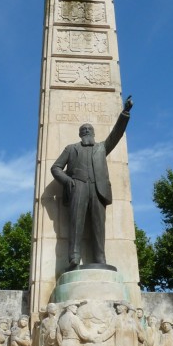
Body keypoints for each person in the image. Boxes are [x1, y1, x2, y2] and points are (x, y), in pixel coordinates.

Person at [51, 95, 133, 269]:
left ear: (94, 134)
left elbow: (116, 134)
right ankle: (74, 257)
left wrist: (125, 112)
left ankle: (100, 257)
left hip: (98, 189)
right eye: (84, 130)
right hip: (78, 185)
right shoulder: (71, 148)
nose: (87, 131)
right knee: (75, 223)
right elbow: (55, 168)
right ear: (80, 134)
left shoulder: (102, 147)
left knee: (98, 225)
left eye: (89, 130)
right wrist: (67, 181)